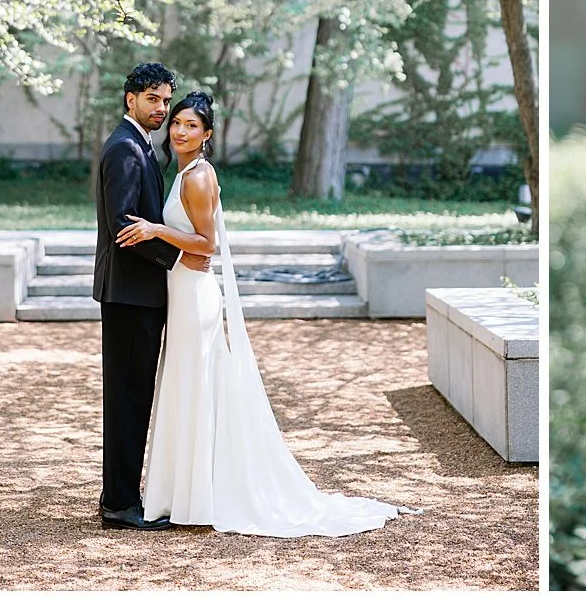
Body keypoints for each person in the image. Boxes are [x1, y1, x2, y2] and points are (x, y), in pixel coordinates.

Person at [116, 90, 403, 537]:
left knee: (194, 388)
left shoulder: (197, 178)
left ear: (207, 135)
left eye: (191, 126)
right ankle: (185, 494)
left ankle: (198, 499)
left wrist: (156, 230)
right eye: (176, 123)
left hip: (194, 295)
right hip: (182, 290)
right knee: (187, 389)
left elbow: (206, 245)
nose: (180, 131)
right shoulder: (185, 171)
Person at [94, 62, 183, 531]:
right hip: (130, 296)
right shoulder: (126, 149)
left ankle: (118, 493)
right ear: (130, 98)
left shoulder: (139, 146)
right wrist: (181, 256)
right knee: (128, 400)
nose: (161, 109)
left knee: (133, 398)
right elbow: (125, 227)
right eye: (153, 99)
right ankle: (120, 505)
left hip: (137, 294)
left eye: (166, 100)